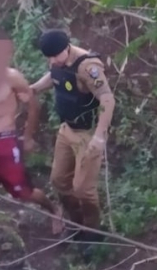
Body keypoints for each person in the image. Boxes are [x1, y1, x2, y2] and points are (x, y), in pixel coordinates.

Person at [0, 66, 63, 270]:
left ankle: (54, 209)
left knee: (23, 193)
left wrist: (28, 136)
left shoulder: (11, 77)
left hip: (6, 143)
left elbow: (33, 106)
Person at [30, 29, 116, 244]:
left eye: (55, 56)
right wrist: (35, 89)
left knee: (83, 190)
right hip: (66, 130)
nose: (52, 61)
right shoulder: (58, 60)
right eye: (48, 57)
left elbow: (107, 100)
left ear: (67, 48)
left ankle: (92, 234)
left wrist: (99, 137)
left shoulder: (88, 67)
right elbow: (54, 76)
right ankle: (76, 224)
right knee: (59, 181)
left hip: (86, 134)